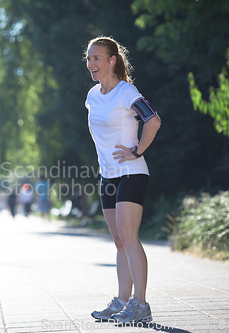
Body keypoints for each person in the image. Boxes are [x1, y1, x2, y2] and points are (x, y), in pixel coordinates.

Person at [84, 36, 161, 323]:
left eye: (96, 58)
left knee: (129, 237)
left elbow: (152, 120)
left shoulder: (127, 92)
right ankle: (122, 300)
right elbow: (96, 131)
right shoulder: (92, 96)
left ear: (111, 60)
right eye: (88, 58)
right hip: (108, 175)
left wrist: (137, 150)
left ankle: (140, 304)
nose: (91, 63)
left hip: (132, 173)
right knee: (119, 241)